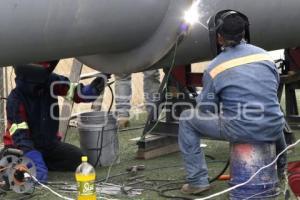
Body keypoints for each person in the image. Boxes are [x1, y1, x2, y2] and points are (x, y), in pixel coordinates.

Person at [178, 11, 286, 195]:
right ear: (244, 33)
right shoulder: (265, 57)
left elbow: (207, 108)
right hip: (274, 126)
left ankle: (197, 181)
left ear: (218, 37)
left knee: (187, 119)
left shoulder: (214, 67)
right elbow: (271, 89)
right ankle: (282, 170)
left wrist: (204, 98)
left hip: (240, 128)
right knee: (272, 116)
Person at [3, 61, 109, 183]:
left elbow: (75, 92)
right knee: (11, 173)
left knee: (80, 161)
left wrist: (91, 90)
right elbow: (20, 137)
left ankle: (42, 163)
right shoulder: (15, 100)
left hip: (48, 146)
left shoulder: (50, 81)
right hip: (19, 150)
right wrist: (32, 157)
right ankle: (24, 165)